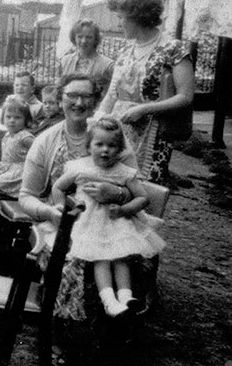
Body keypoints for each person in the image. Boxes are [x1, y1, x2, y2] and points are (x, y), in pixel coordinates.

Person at [19, 74, 137, 362]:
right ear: (60, 99)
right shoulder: (46, 140)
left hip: (109, 221)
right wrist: (49, 212)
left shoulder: (112, 135)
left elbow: (137, 188)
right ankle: (63, 341)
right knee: (71, 261)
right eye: (71, 95)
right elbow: (26, 196)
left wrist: (117, 194)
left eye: (86, 96)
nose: (78, 102)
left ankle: (109, 341)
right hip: (58, 223)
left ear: (96, 101)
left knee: (121, 254)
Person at [52, 116, 165, 317]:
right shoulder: (79, 167)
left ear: (120, 149)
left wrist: (124, 210)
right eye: (99, 144)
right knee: (101, 258)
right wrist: (61, 206)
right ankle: (109, 301)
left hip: (117, 221)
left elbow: (143, 198)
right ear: (89, 146)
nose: (105, 150)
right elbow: (58, 187)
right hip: (89, 221)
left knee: (121, 256)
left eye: (112, 145)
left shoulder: (123, 172)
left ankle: (126, 297)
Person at [96, 0, 195, 183]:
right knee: (112, 187)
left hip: (154, 134)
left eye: (121, 17)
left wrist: (144, 109)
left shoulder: (172, 49)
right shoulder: (125, 51)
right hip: (119, 133)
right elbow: (112, 94)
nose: (118, 23)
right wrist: (97, 120)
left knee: (143, 191)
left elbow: (186, 96)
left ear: (137, 17)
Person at [0, 96, 35, 199]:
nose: (12, 121)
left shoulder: (25, 137)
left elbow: (40, 152)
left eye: (17, 117)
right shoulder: (7, 135)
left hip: (19, 175)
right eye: (8, 117)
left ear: (26, 120)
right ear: (3, 118)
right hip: (8, 168)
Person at [58, 19, 114, 96]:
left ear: (96, 39)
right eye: (80, 37)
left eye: (89, 37)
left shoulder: (107, 65)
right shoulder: (65, 61)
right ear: (74, 38)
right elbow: (60, 88)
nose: (84, 41)